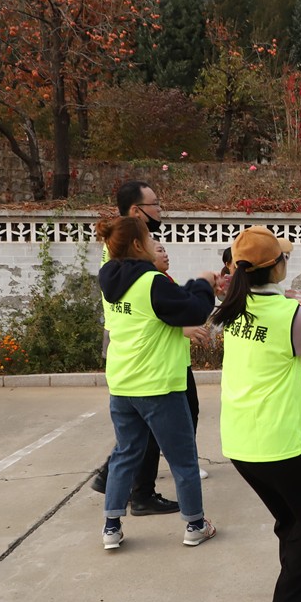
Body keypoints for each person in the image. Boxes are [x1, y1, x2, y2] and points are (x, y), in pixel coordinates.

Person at [214, 226, 301, 602]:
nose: (287, 261)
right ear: (275, 268)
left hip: (239, 437)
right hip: (273, 438)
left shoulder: (233, 307)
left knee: (291, 513)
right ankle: (291, 600)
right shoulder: (291, 314)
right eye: (284, 257)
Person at [96, 216, 218, 550]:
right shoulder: (151, 281)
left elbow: (165, 308)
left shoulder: (109, 278)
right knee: (183, 459)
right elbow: (193, 310)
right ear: (138, 245)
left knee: (125, 454)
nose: (155, 243)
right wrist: (204, 282)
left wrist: (194, 286)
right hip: (158, 385)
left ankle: (111, 527)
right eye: (150, 238)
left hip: (122, 384)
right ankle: (195, 524)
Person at [90, 181, 180, 515]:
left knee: (138, 424)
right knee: (147, 423)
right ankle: (138, 491)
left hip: (135, 338)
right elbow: (136, 291)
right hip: (138, 341)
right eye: (154, 204)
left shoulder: (129, 245)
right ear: (135, 211)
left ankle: (118, 480)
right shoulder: (122, 248)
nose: (159, 210)